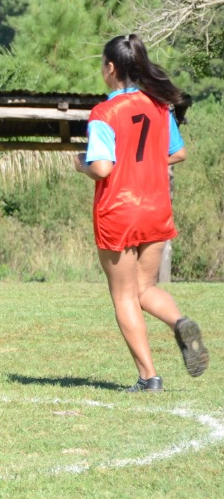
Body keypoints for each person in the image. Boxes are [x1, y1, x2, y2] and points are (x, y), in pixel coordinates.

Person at [74, 34, 209, 392]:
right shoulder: (160, 106)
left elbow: (102, 168)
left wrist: (79, 164)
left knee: (123, 296)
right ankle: (179, 321)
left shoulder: (104, 113)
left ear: (111, 68)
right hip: (155, 207)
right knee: (145, 287)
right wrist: (147, 163)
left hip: (119, 210)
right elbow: (177, 153)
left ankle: (149, 377)